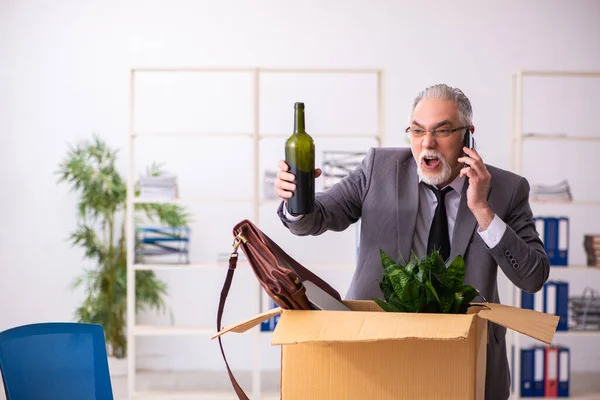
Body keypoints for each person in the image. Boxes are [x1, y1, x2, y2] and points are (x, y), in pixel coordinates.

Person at [273, 83, 550, 400]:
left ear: (468, 135)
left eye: (442, 131)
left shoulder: (507, 189)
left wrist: (482, 210)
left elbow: (532, 277)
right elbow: (317, 217)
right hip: (377, 342)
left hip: (466, 347)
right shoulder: (379, 168)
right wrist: (297, 199)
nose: (427, 144)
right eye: (417, 131)